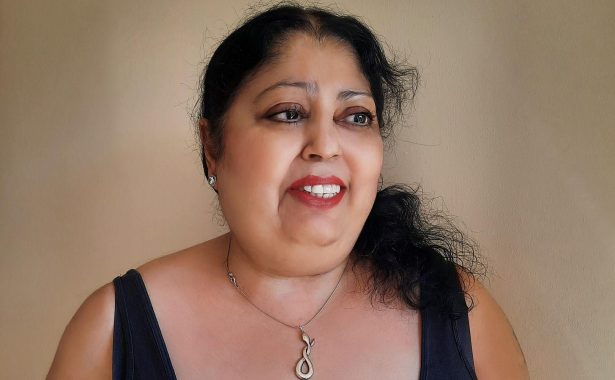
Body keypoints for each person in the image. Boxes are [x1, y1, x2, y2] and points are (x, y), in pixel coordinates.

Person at [47, 4, 529, 379]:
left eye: (355, 117)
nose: (326, 145)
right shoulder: (114, 328)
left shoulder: (459, 311)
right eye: (288, 113)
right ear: (212, 146)